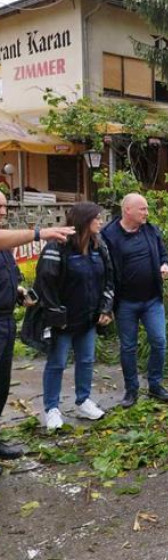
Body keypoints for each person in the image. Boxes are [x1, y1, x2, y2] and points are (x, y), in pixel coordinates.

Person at [0, 191, 75, 469]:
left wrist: (20, 292)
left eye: (5, 205)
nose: (3, 211)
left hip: (6, 320)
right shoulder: (5, 238)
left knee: (2, 385)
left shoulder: (6, 243)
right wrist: (40, 233)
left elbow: (9, 275)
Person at [33, 202, 114, 430]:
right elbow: (44, 283)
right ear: (84, 221)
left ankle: (83, 401)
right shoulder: (57, 247)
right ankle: (52, 409)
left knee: (86, 361)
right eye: (97, 218)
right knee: (57, 363)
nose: (100, 222)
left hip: (88, 319)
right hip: (63, 322)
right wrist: (55, 313)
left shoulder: (99, 246)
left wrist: (106, 307)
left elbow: (109, 278)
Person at [101, 193, 168, 408]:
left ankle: (155, 385)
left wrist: (166, 266)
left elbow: (164, 255)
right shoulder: (108, 235)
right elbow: (105, 270)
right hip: (125, 303)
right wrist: (106, 305)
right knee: (128, 347)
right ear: (127, 211)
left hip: (152, 300)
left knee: (159, 342)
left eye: (147, 209)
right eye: (142, 209)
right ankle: (131, 390)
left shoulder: (151, 230)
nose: (147, 213)